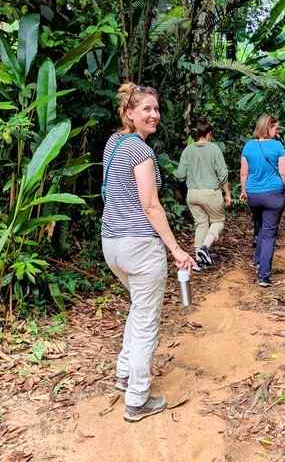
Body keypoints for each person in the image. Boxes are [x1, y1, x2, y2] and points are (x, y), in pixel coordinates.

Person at [101, 82, 193, 423]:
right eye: (146, 110)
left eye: (156, 109)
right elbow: (151, 205)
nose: (154, 115)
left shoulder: (114, 144)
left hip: (112, 246)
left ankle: (124, 373)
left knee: (138, 310)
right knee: (146, 322)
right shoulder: (141, 152)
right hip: (139, 247)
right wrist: (176, 249)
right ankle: (138, 398)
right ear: (129, 114)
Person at [176, 117, 231, 270]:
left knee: (201, 223)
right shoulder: (214, 149)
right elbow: (223, 174)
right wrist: (227, 193)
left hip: (192, 194)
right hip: (210, 193)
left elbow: (180, 174)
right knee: (218, 221)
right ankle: (205, 248)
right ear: (209, 134)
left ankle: (198, 262)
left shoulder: (188, 150)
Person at [240, 114, 285, 288]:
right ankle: (264, 275)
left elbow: (244, 173)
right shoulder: (277, 146)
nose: (277, 132)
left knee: (260, 227)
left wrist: (244, 191)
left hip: (254, 195)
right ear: (268, 127)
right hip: (273, 195)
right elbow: (284, 174)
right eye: (276, 128)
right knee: (268, 234)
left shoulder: (248, 146)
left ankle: (259, 260)